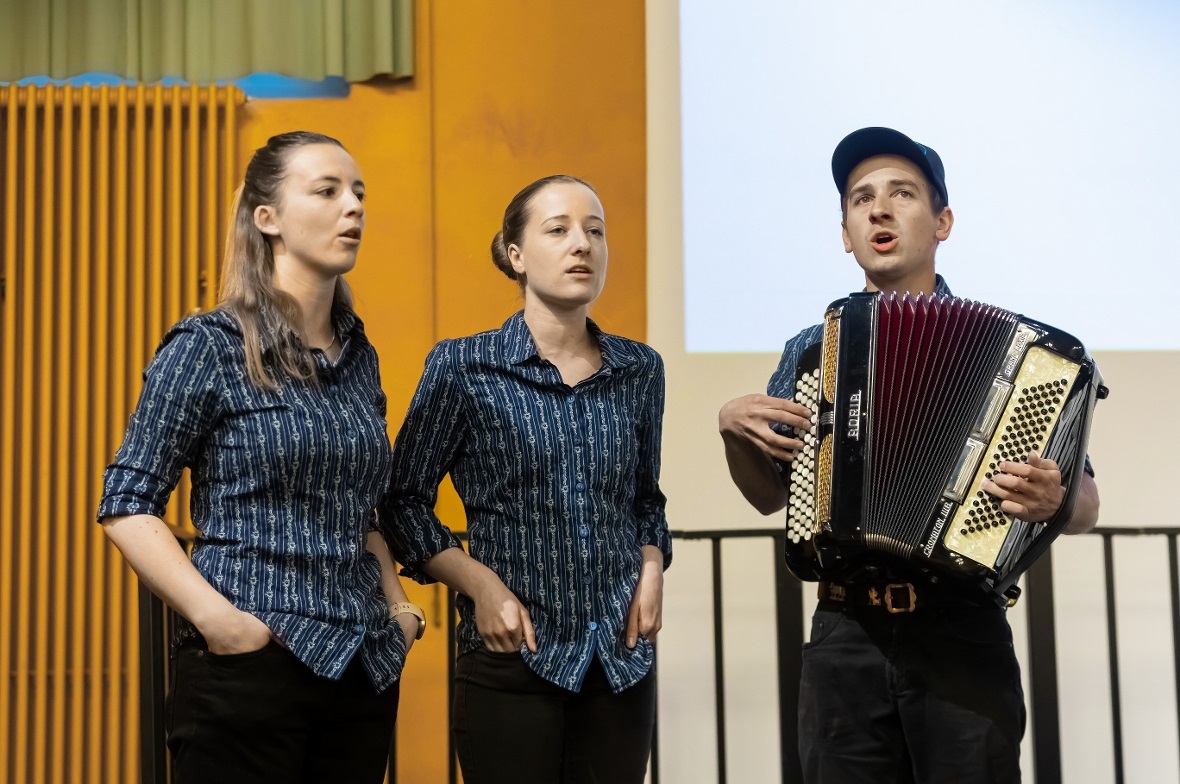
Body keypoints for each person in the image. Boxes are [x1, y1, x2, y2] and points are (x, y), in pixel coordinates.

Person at [718, 127, 1101, 784]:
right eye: (861, 199)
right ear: (846, 232)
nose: (880, 209)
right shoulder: (813, 347)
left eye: (902, 194)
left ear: (942, 220)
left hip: (961, 633)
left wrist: (1055, 497)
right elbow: (767, 495)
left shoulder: (1019, 355)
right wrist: (732, 431)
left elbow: (1086, 503)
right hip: (845, 630)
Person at [97, 131, 422, 784]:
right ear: (266, 217)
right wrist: (222, 624)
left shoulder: (360, 357)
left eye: (359, 192)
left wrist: (398, 608)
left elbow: (362, 514)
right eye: (327, 191)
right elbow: (126, 504)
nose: (353, 207)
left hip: (360, 669)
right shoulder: (208, 344)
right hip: (249, 667)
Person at [381, 174, 671, 783]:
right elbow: (402, 502)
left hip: (620, 661)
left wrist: (650, 568)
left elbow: (646, 500)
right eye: (559, 229)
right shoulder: (463, 366)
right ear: (515, 255)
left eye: (595, 231)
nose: (583, 245)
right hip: (512, 660)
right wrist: (478, 583)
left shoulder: (641, 369)